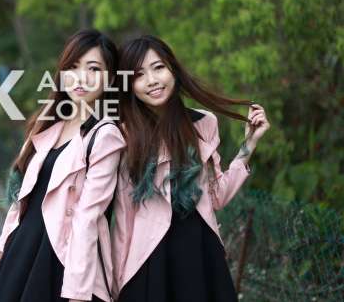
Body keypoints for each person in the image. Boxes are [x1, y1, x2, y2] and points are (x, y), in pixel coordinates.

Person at [111, 35, 270, 302]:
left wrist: (249, 145)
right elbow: (124, 219)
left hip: (200, 253)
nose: (152, 80)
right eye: (139, 75)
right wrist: (117, 283)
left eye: (158, 68)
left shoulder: (203, 123)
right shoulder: (123, 135)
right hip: (150, 260)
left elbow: (216, 195)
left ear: (173, 69)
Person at [0, 29, 126, 302]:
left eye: (93, 69)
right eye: (73, 67)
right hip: (18, 255)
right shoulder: (46, 128)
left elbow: (88, 218)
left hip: (59, 263)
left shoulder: (105, 135)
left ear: (111, 78)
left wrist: (78, 294)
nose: (81, 77)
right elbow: (18, 208)